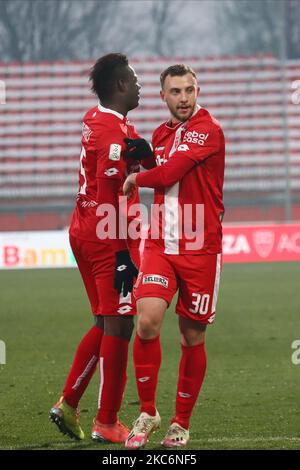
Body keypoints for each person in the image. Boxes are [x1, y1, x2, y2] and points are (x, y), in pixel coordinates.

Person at [49, 53, 153, 444]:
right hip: (106, 237)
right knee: (121, 324)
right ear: (121, 86)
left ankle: (70, 403)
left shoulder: (102, 121)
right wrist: (124, 253)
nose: (140, 83)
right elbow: (109, 192)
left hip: (86, 230)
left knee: (106, 321)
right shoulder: (112, 133)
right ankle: (106, 421)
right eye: (135, 78)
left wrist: (143, 154)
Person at [122, 64, 225, 448]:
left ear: (197, 91)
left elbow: (170, 174)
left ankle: (180, 423)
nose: (184, 98)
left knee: (191, 337)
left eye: (189, 90)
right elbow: (165, 170)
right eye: (176, 92)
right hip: (161, 245)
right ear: (163, 96)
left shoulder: (207, 129)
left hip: (201, 249)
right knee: (147, 322)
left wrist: (138, 176)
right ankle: (148, 412)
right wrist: (148, 159)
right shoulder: (161, 134)